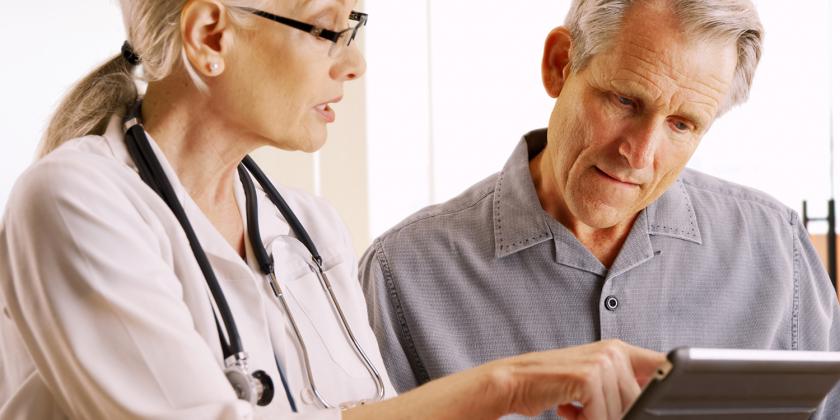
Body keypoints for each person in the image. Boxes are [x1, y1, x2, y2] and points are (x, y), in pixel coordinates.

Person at [0, 0, 667, 419]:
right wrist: (507, 386)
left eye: (355, 28)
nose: (354, 65)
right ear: (210, 35)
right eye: (327, 29)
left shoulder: (309, 230)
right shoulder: (77, 200)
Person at [359, 0, 840, 418]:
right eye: (625, 100)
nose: (639, 154)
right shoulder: (402, 273)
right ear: (559, 64)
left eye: (681, 124)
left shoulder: (778, 250)